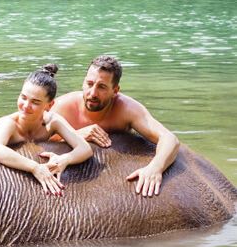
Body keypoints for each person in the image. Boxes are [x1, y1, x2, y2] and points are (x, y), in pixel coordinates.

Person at [50, 55, 179, 198]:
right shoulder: (63, 106)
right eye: (89, 83)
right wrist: (76, 135)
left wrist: (155, 168)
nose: (92, 93)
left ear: (115, 90)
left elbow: (169, 138)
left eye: (102, 87)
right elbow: (32, 138)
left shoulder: (127, 109)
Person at [0, 64, 93, 197]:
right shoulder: (8, 123)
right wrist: (35, 168)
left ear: (49, 105)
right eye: (23, 97)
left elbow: (85, 148)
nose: (26, 106)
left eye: (35, 102)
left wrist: (65, 159)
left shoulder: (52, 121)